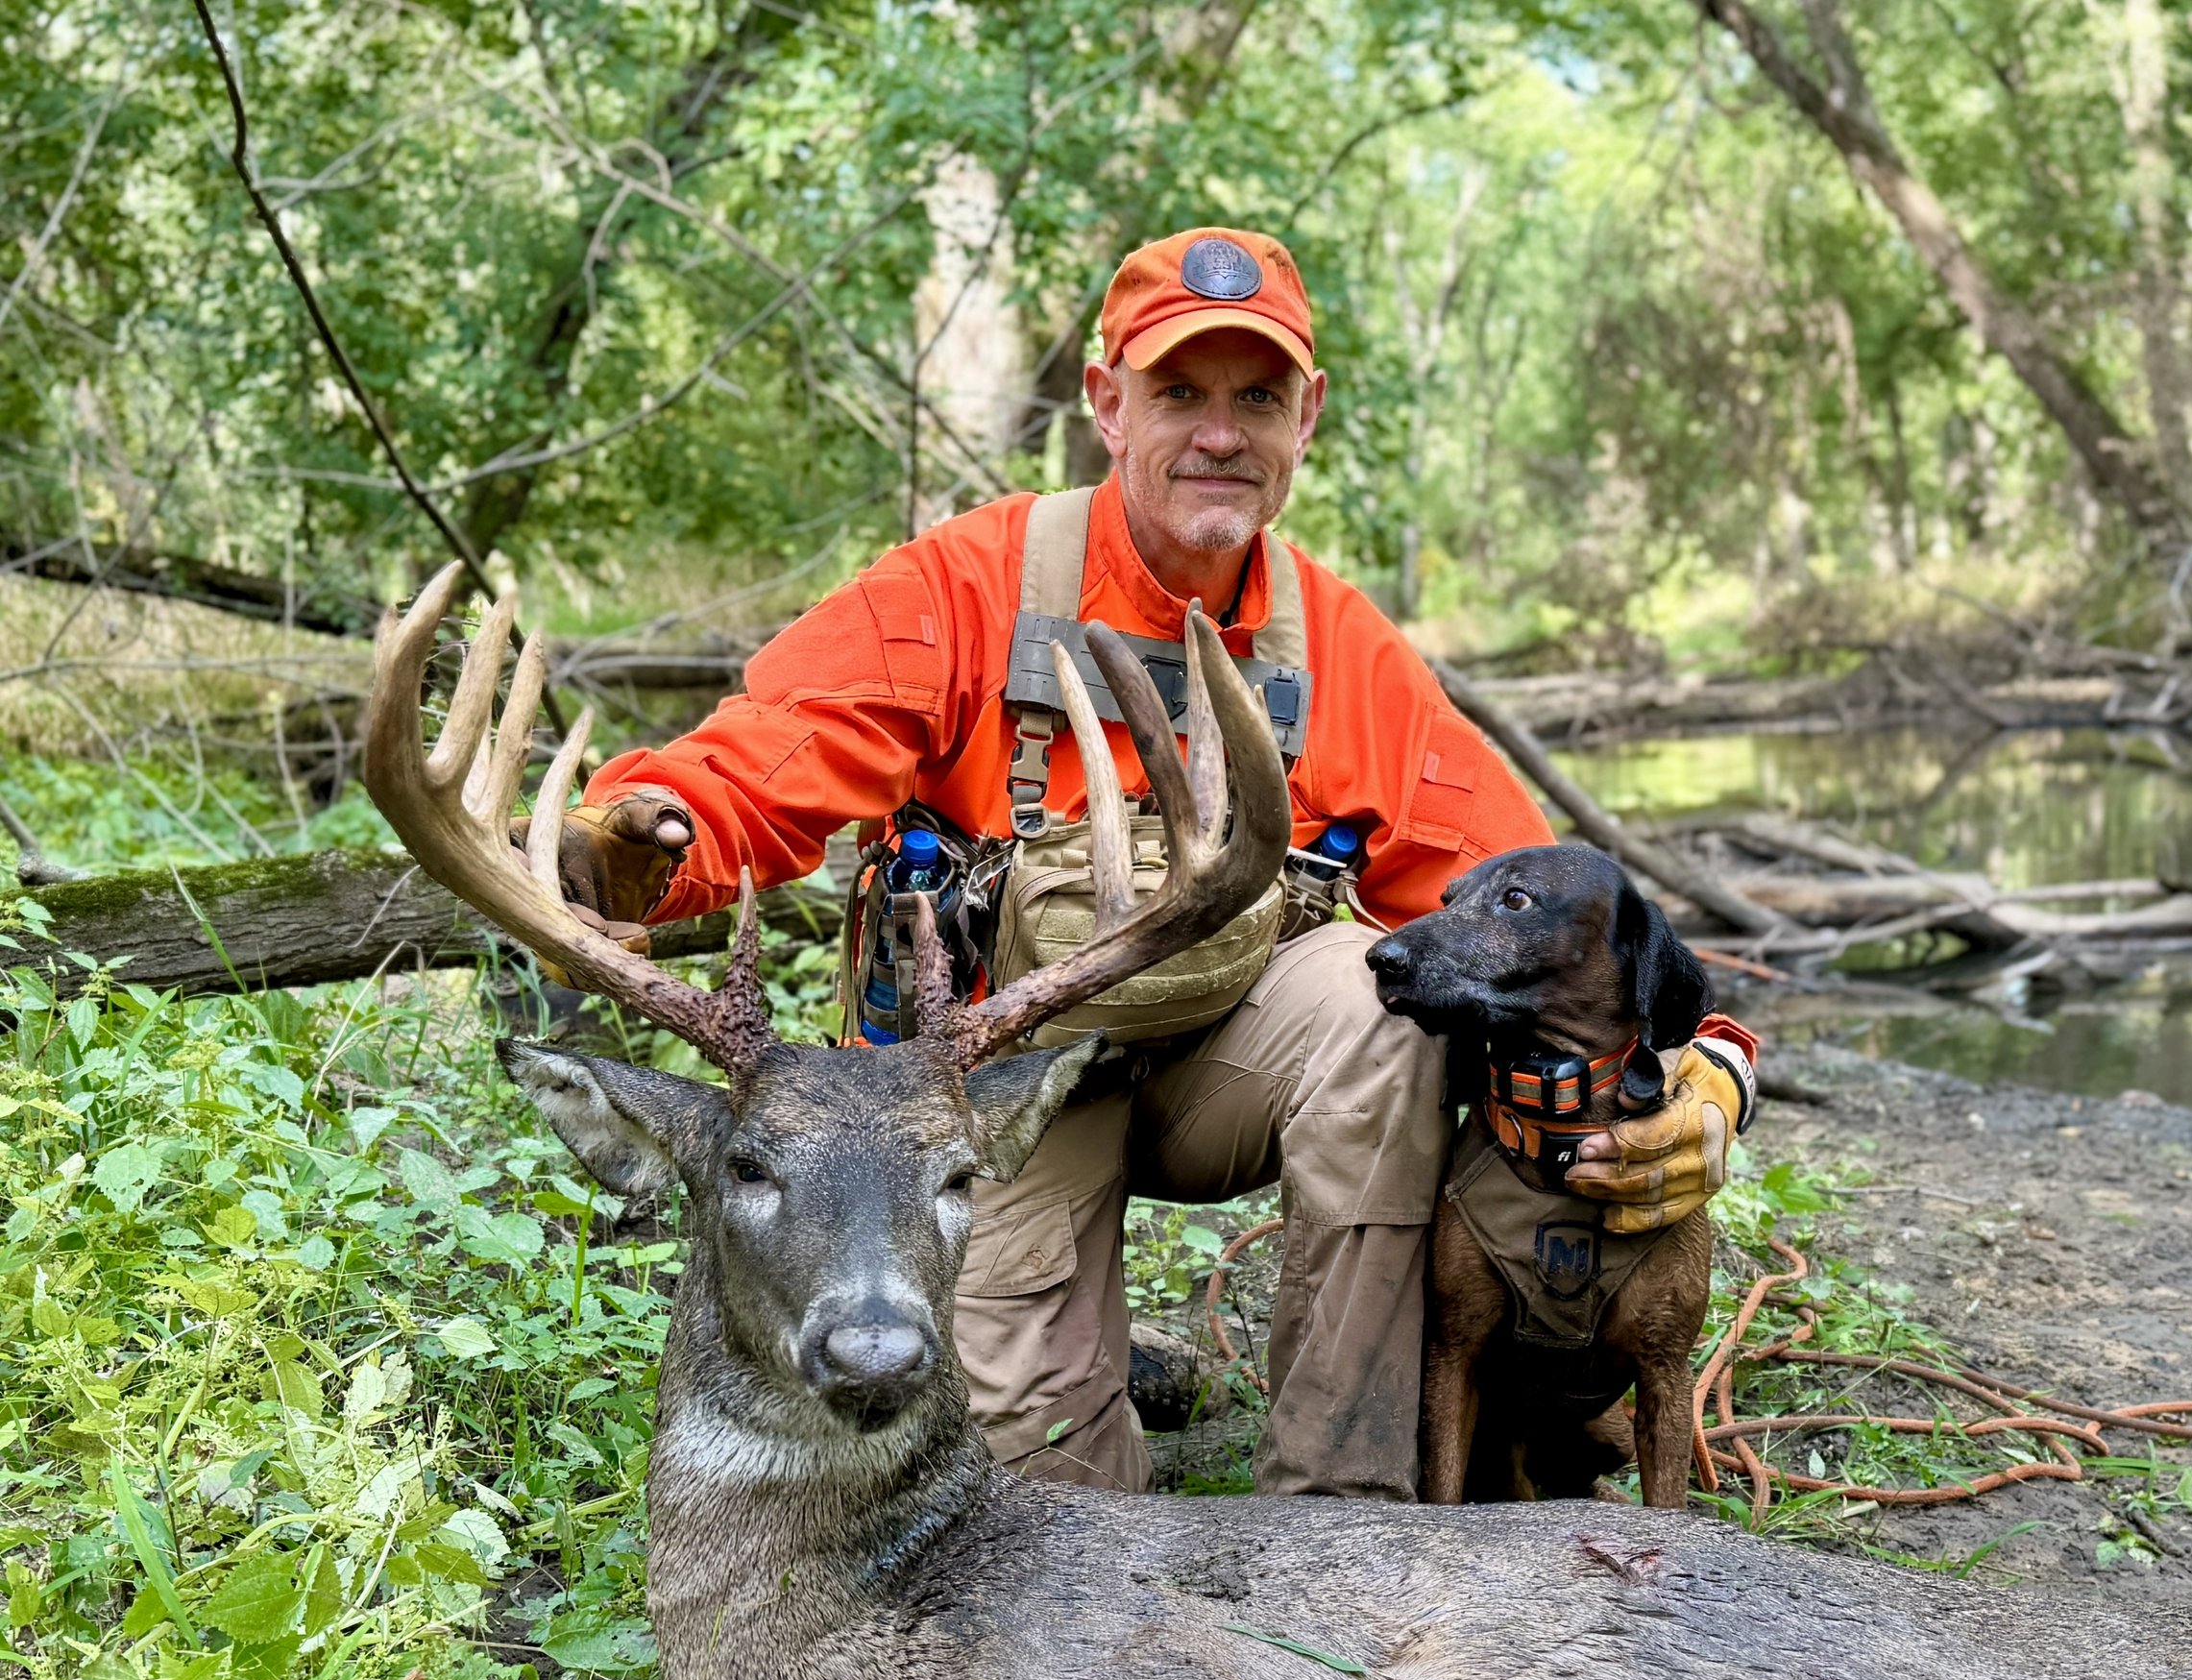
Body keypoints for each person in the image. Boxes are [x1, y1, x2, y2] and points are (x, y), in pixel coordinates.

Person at [540, 228, 1748, 1498]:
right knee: (1042, 1483)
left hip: (1228, 1065)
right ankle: (1090, 1443)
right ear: (1108, 404)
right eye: (1179, 392)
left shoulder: (1340, 648)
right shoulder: (966, 585)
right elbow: (760, 762)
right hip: (999, 1093)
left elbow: (1554, 909)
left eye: (1257, 398)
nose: (1219, 433)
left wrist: (1711, 1068)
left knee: (1379, 1005)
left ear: (1306, 419)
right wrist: (637, 844)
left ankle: (1339, 1513)